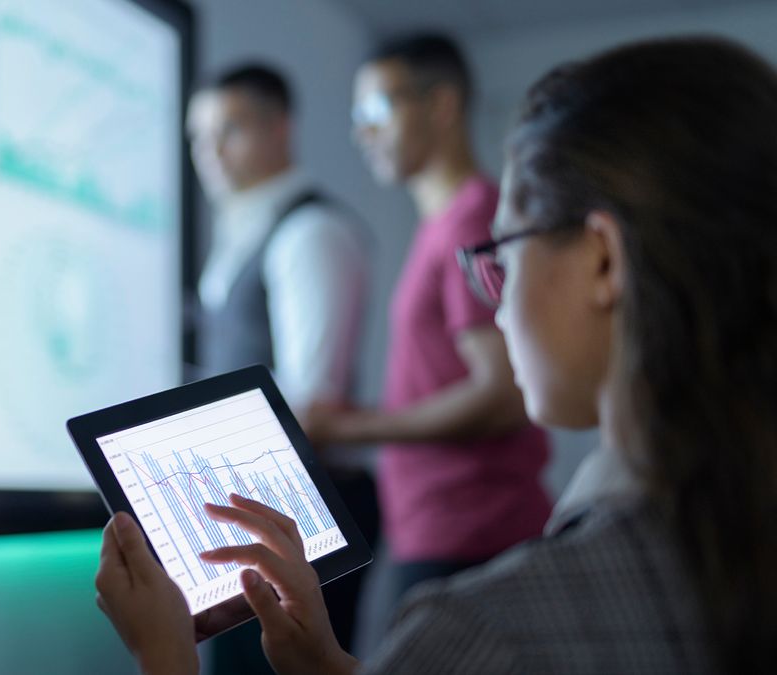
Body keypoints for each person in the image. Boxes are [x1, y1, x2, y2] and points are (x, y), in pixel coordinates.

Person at [93, 36, 777, 673]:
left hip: (459, 521)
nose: (498, 303)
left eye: (502, 255)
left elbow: (495, 395)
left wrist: (166, 654)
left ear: (602, 260)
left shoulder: (482, 629)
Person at [304, 33, 551, 638]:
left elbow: (503, 395)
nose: (364, 134)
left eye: (378, 112)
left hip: (468, 532)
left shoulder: (471, 222)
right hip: (436, 526)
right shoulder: (447, 223)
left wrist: (345, 426)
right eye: (357, 118)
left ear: (440, 105)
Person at [186, 63, 376, 673]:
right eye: (198, 136)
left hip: (301, 516)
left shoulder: (311, 231)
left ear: (280, 130)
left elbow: (310, 404)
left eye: (230, 129)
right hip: (255, 515)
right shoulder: (244, 231)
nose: (210, 151)